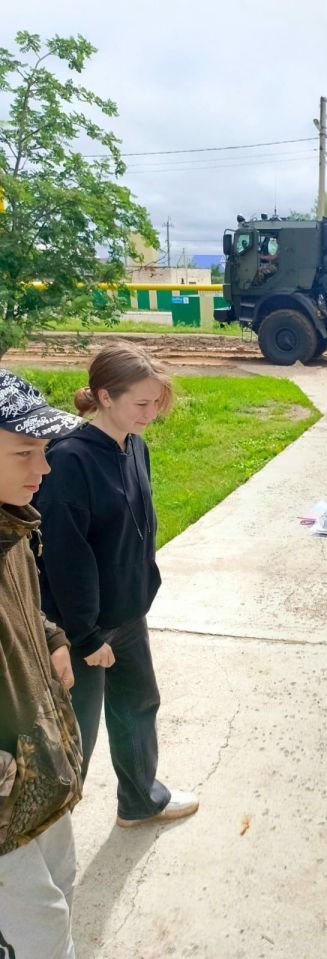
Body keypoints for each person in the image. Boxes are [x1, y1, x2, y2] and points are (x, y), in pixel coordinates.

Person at [35, 344, 198, 828]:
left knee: (138, 707)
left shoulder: (134, 444)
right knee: (74, 735)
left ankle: (139, 802)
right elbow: (64, 556)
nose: (151, 414)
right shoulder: (70, 459)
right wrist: (85, 636)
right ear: (105, 396)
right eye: (141, 404)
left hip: (127, 613)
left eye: (156, 404)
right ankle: (44, 835)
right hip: (80, 626)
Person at [0, 368, 84, 958]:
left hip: (39, 765)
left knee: (63, 884)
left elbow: (22, 604)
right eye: (25, 452)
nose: (45, 468)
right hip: (4, 791)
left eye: (45, 450)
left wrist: (52, 636)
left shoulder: (10, 524)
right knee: (40, 926)